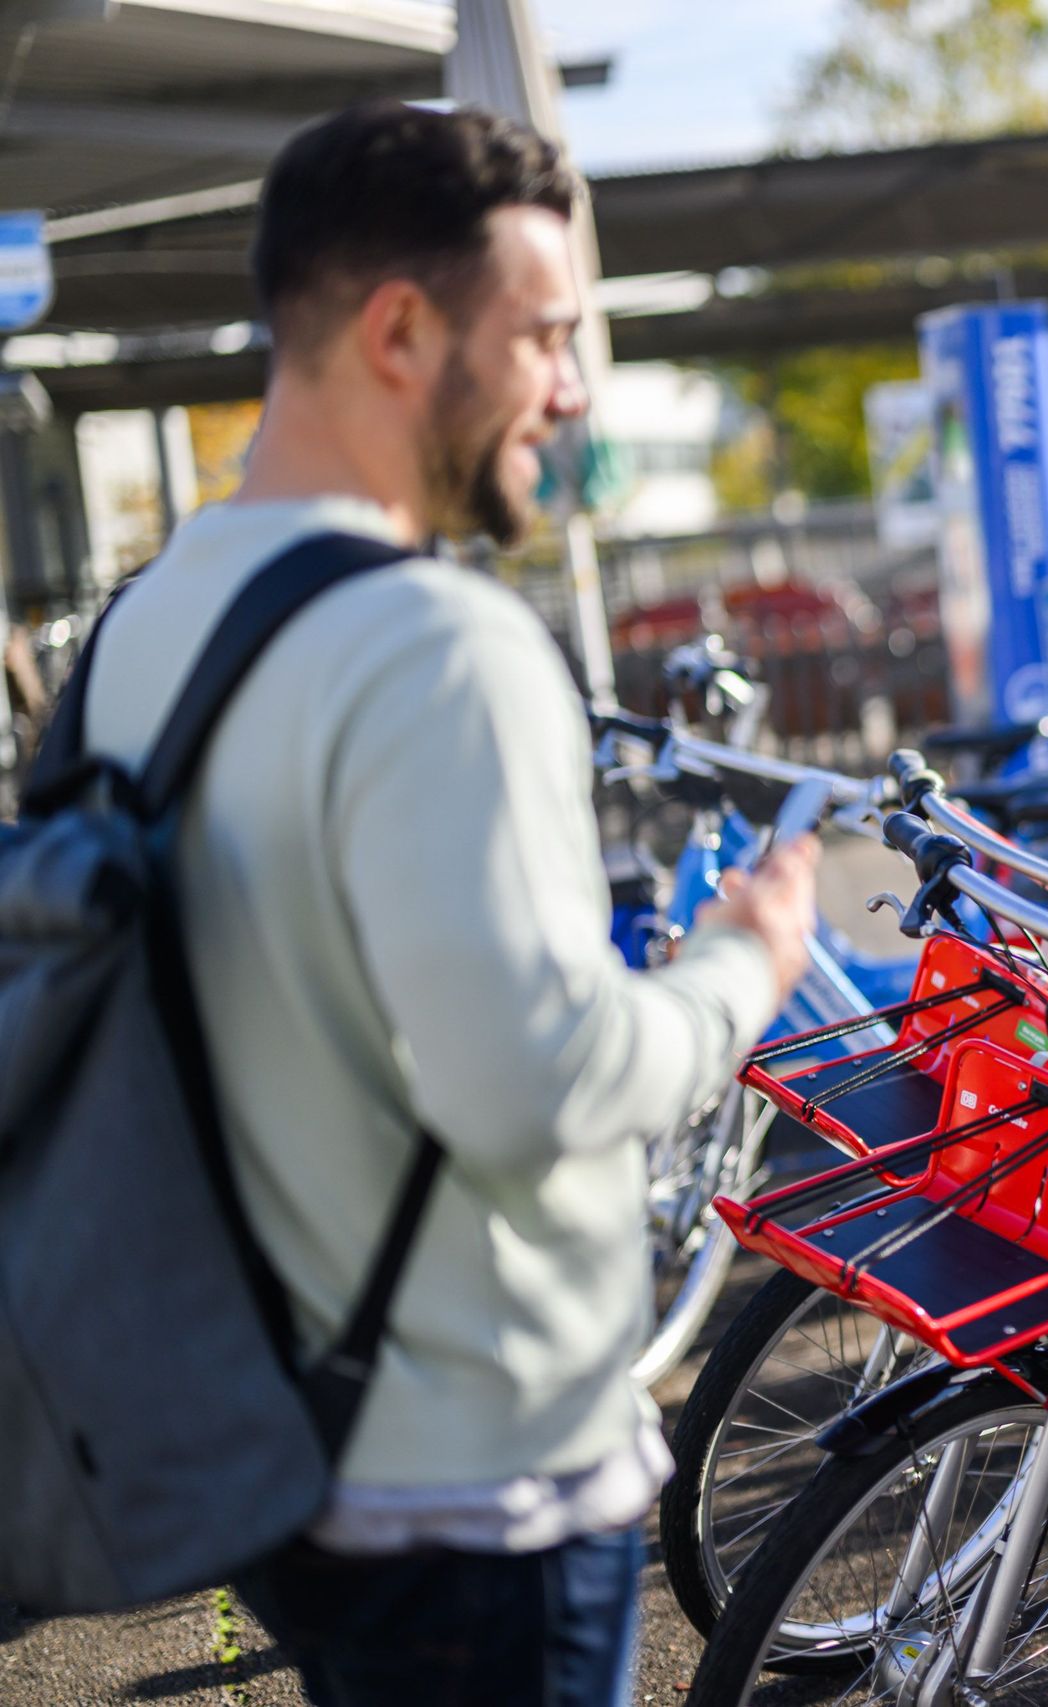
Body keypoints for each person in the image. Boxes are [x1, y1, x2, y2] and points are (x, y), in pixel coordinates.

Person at [77, 100, 818, 1705]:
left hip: (268, 1438)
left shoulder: (144, 629)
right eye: (546, 334)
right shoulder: (441, 650)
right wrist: (737, 972)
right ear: (402, 329)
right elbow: (532, 1081)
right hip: (483, 1484)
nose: (571, 387)